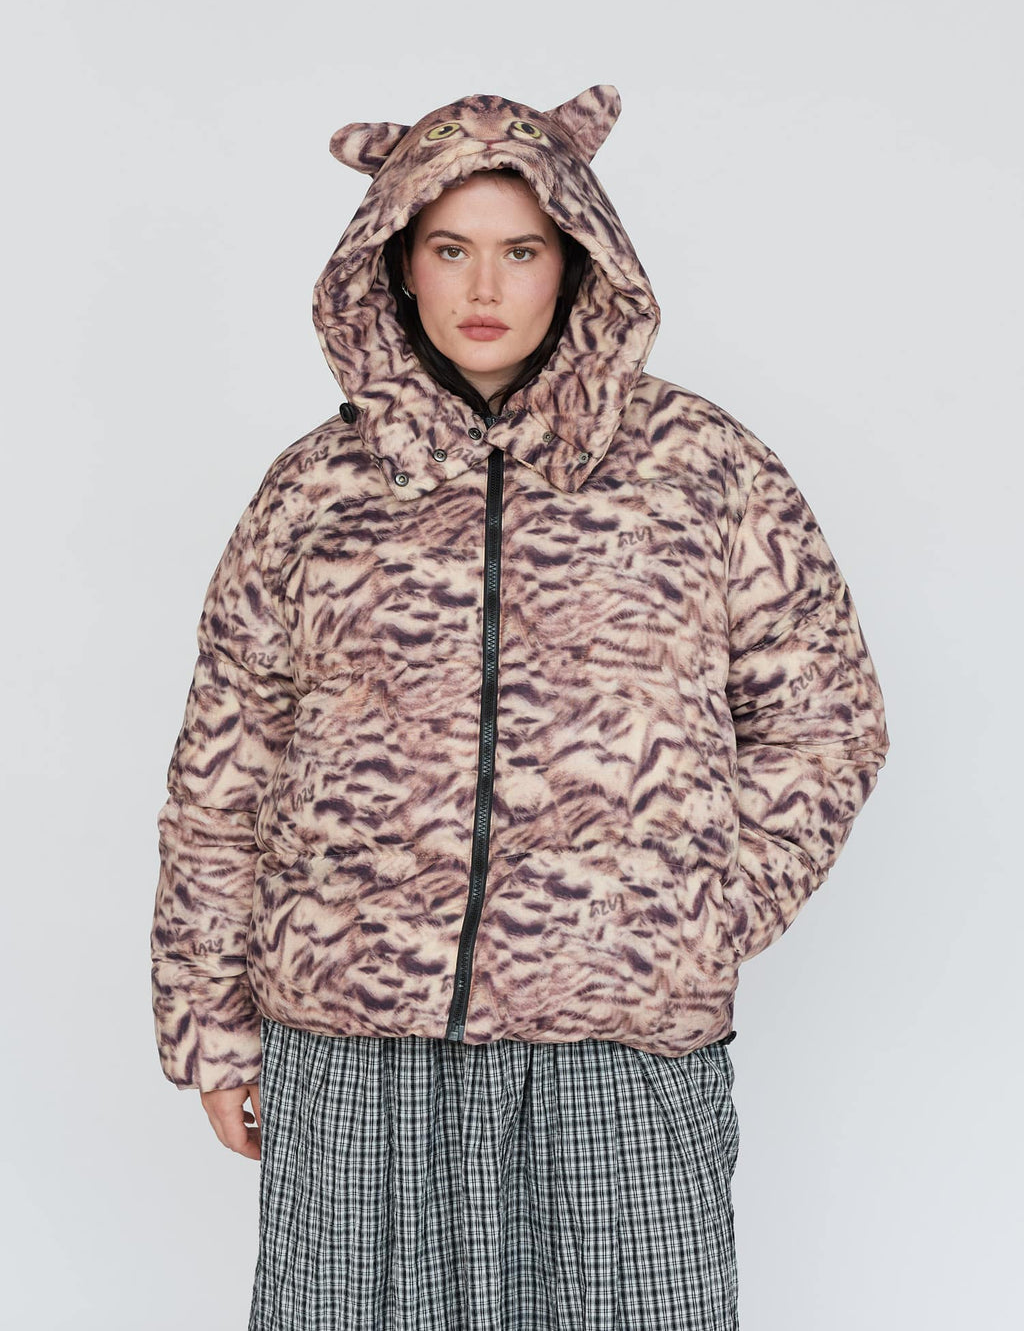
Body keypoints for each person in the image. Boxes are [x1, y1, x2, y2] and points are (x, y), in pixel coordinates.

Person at [150, 84, 890, 1330]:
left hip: (617, 1042)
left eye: (521, 250)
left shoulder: (702, 470)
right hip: (355, 1047)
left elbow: (827, 719)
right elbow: (223, 770)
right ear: (397, 264)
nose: (483, 286)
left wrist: (694, 914)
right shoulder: (316, 492)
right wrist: (212, 1029)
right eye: (450, 249)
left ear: (577, 261)